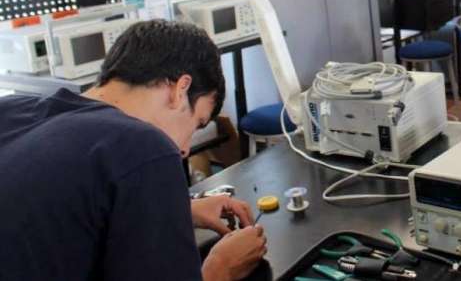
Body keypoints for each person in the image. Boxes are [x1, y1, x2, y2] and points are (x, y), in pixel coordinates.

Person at [0, 20, 267, 281]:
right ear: (179, 89)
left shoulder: (13, 110)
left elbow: (54, 217)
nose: (184, 149)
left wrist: (179, 210)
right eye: (196, 123)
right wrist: (221, 268)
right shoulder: (144, 145)